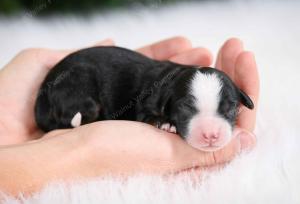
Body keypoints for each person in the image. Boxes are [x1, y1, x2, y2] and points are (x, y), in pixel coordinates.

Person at [0, 36, 259, 196]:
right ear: (167, 103)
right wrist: (75, 148)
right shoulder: (156, 95)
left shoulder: (170, 89)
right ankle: (68, 120)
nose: (212, 131)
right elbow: (146, 110)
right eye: (189, 110)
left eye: (225, 109)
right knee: (84, 104)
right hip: (77, 84)